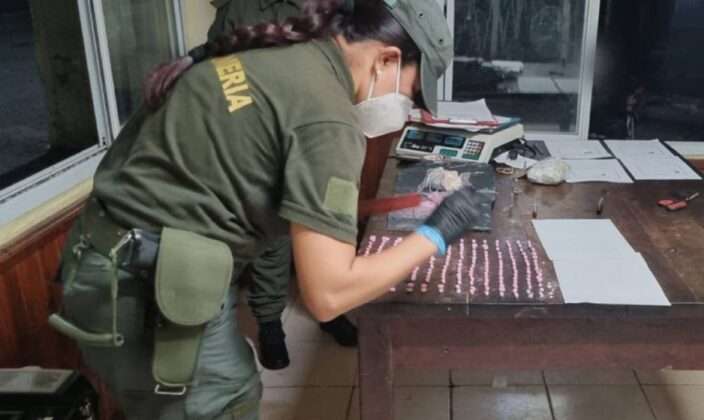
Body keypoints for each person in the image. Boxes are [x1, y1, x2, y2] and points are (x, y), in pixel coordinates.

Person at [52, 0, 481, 418]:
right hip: (143, 283)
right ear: (386, 59)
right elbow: (329, 295)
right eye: (411, 95)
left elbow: (254, 180)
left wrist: (378, 206)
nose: (406, 110)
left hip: (100, 258)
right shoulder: (327, 117)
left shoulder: (287, 54)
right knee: (227, 400)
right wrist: (436, 233)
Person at [205, 0, 358, 372]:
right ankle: (270, 323)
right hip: (257, 137)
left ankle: (328, 309)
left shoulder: (329, 6)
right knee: (271, 236)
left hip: (317, 132)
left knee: (328, 223)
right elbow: (216, 70)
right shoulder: (239, 10)